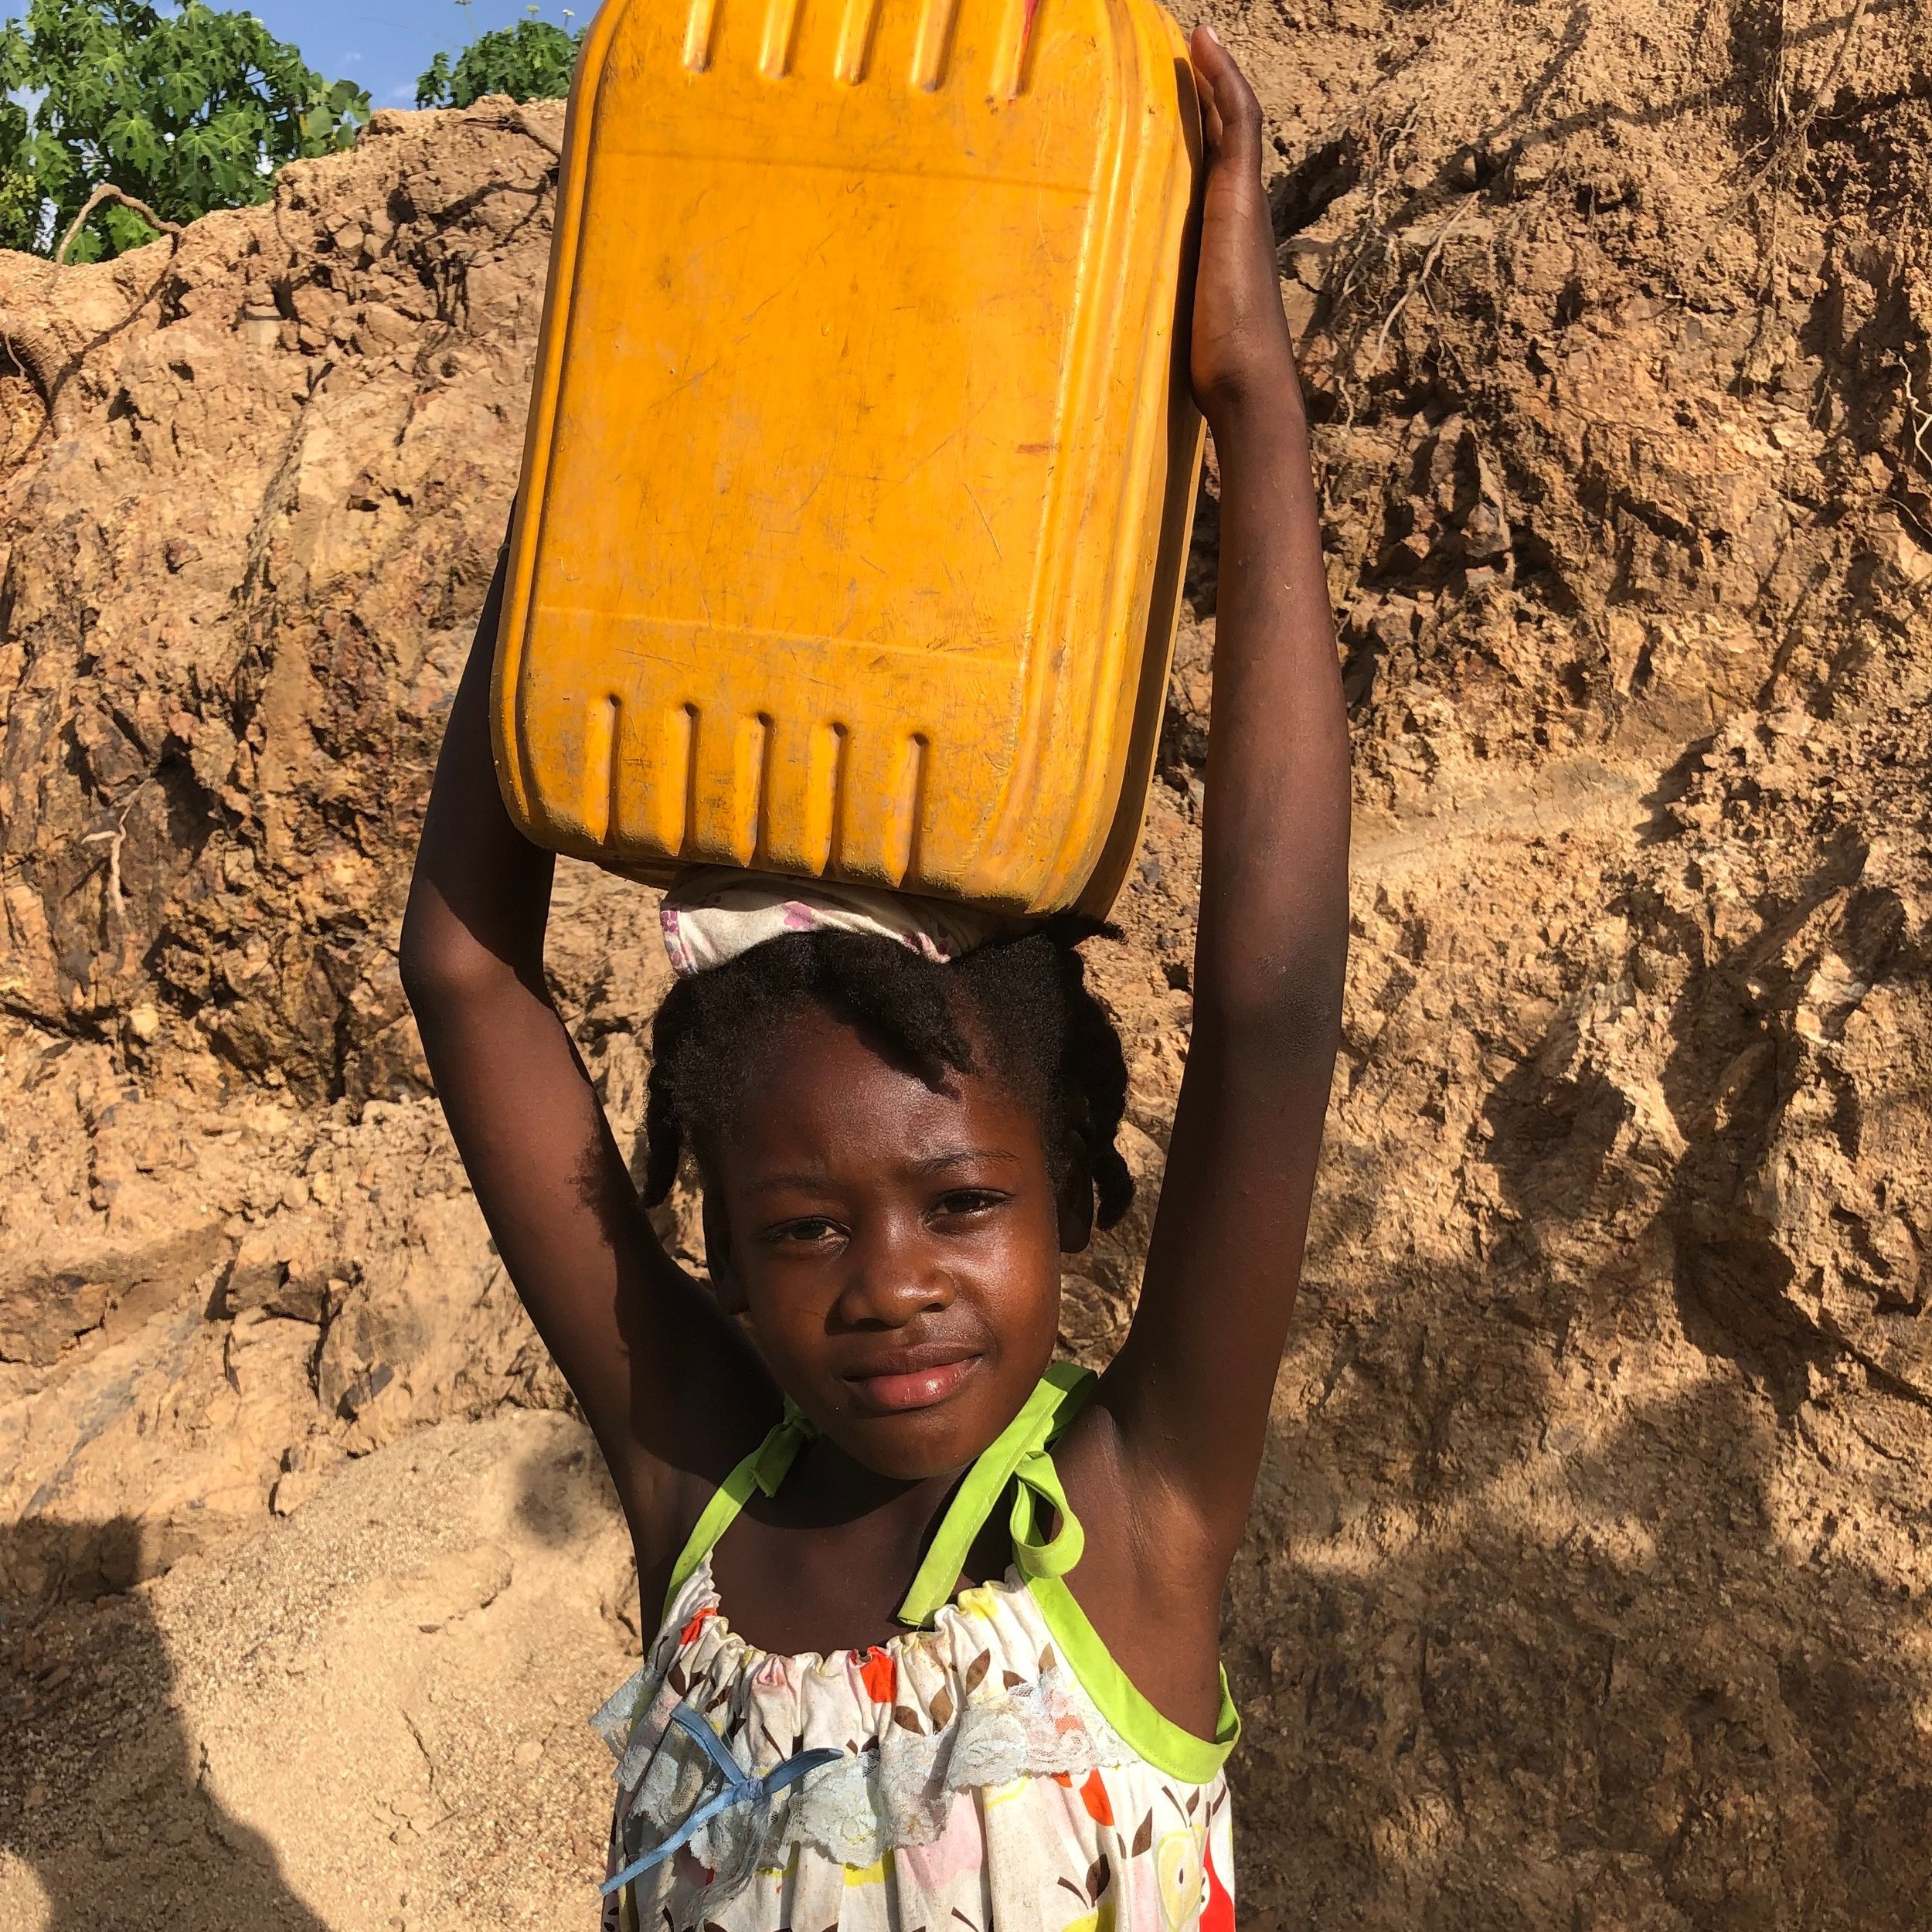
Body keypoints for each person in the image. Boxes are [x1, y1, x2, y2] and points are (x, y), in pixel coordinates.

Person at [400, 24, 1349, 1932]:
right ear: (719, 1254)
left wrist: (1250, 399)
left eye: (959, 1198)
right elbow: (469, 972)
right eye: (802, 1225)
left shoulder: (1126, 1516)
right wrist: (581, 513)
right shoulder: (700, 1487)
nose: (890, 1277)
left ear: (1069, 1187)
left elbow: (1266, 995)